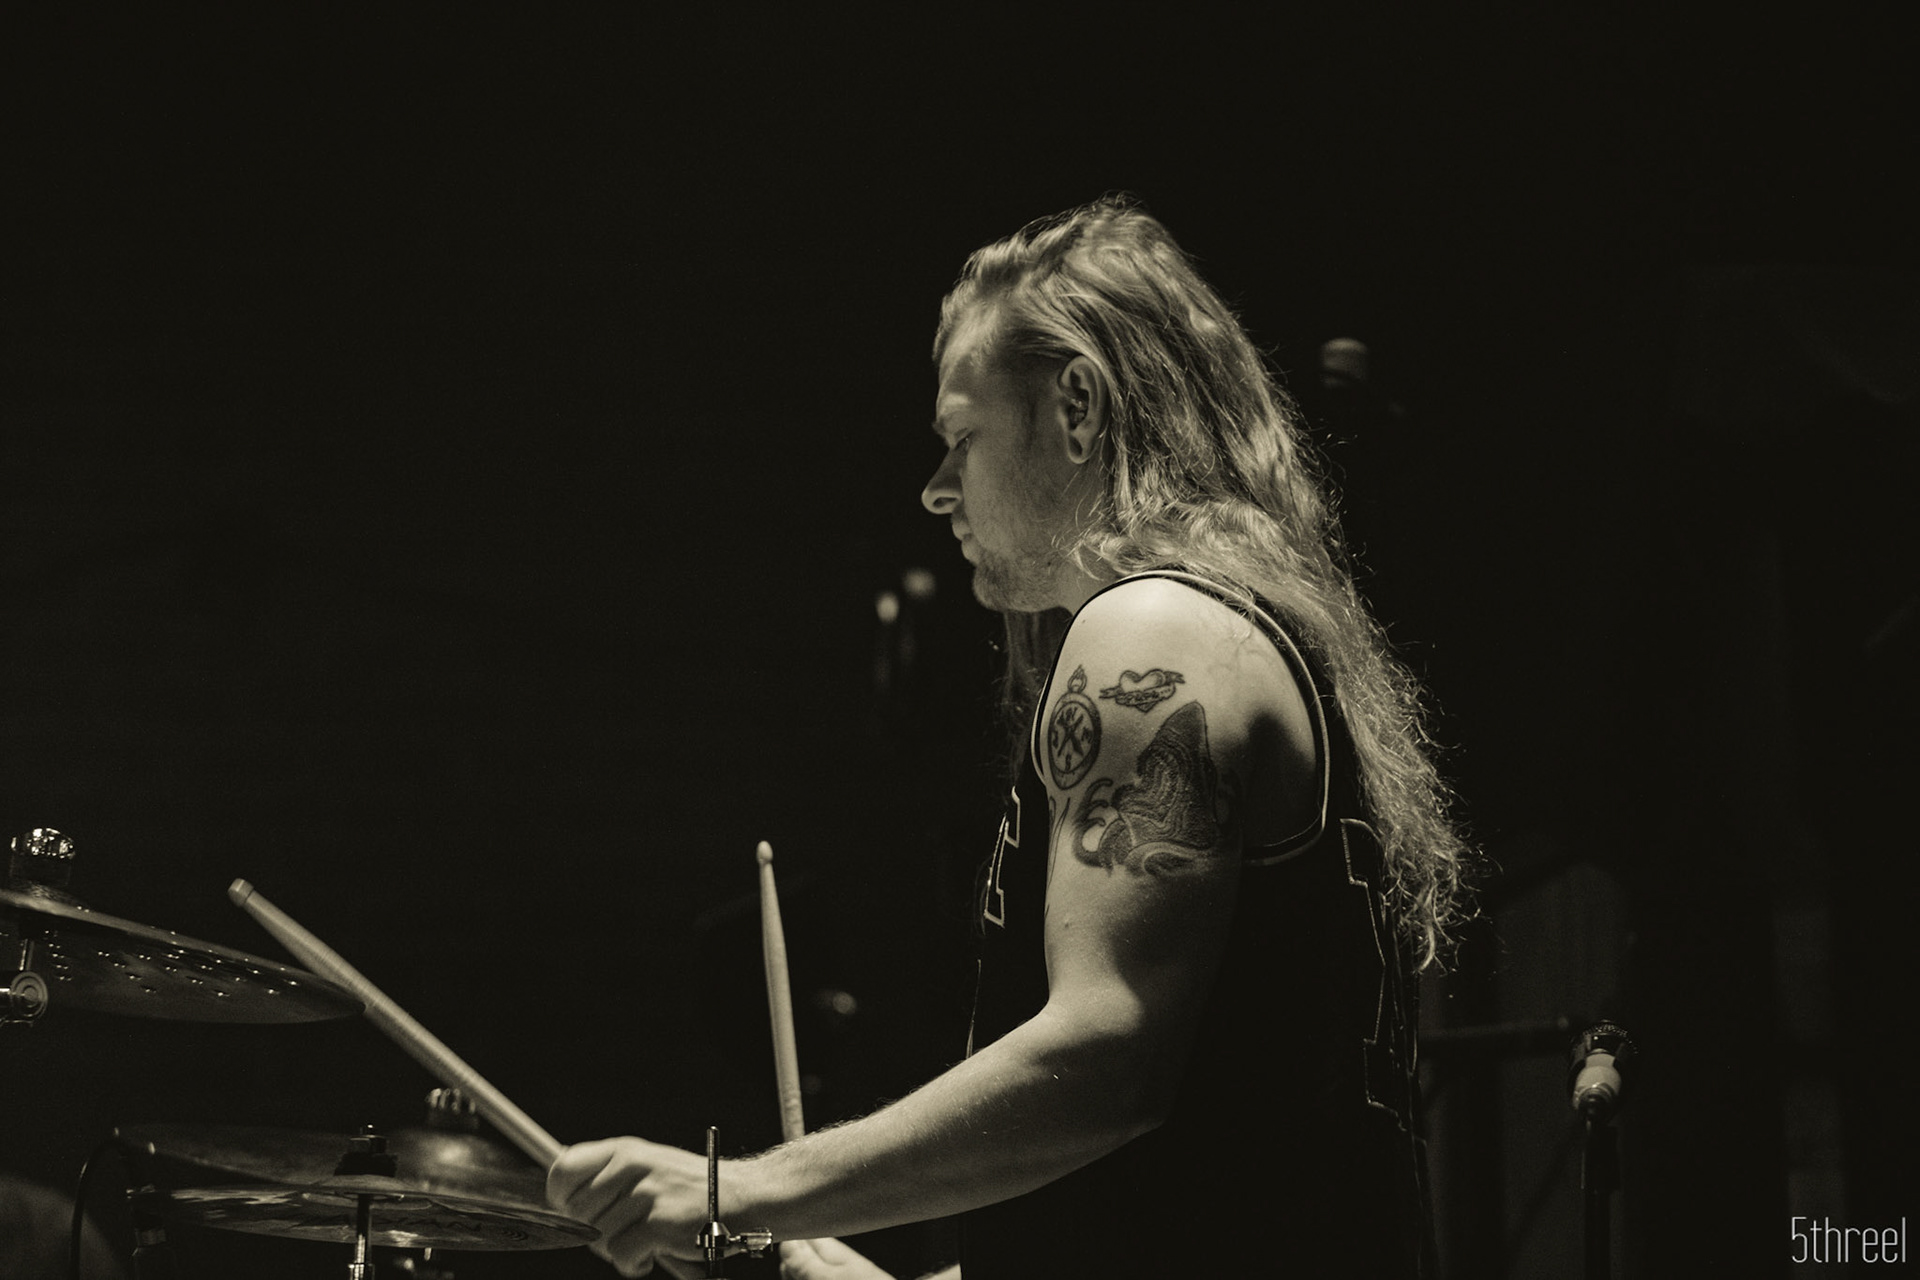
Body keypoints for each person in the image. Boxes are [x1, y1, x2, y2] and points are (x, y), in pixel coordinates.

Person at [548, 195, 1475, 1278]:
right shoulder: (1227, 630)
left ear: (1077, 405)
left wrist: (738, 1189)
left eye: (963, 438)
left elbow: (1107, 1053)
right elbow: (1212, 1171)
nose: (936, 489)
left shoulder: (1152, 631)